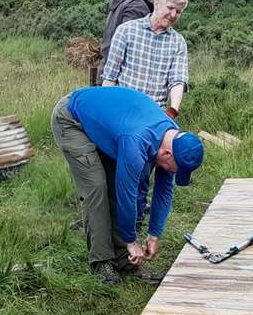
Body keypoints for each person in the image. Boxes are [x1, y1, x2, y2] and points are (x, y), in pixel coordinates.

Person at [51, 86, 204, 285]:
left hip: (111, 124)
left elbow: (164, 192)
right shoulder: (136, 141)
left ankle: (124, 260)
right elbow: (127, 195)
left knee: (119, 181)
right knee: (97, 187)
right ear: (167, 154)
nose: (174, 173)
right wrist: (131, 241)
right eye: (176, 169)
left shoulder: (171, 138)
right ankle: (102, 261)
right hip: (72, 118)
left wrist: (154, 235)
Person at [100, 0, 190, 117]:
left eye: (178, 12)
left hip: (155, 115)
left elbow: (177, 80)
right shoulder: (126, 30)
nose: (173, 15)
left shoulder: (178, 42)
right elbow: (110, 76)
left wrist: (172, 110)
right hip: (123, 111)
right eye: (170, 8)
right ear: (157, 2)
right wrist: (106, 111)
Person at [93, 0, 158, 87]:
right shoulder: (136, 5)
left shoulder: (120, 1)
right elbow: (133, 47)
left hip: (105, 70)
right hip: (120, 78)